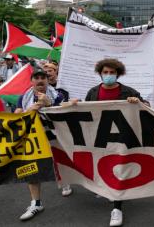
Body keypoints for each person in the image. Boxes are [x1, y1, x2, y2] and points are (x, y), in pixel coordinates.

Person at [84, 58, 147, 227]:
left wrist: (139, 103)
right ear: (100, 73)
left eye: (112, 73)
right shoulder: (92, 92)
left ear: (118, 74)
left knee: (119, 168)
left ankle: (117, 208)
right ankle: (106, 190)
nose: (109, 75)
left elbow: (147, 108)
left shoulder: (128, 91)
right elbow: (85, 113)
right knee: (103, 165)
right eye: (105, 72)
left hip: (122, 138)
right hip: (100, 138)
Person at [15, 68, 65, 221]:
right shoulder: (24, 97)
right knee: (32, 169)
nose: (40, 80)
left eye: (43, 77)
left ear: (47, 80)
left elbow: (63, 110)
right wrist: (35, 107)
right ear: (32, 81)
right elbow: (18, 114)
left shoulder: (59, 95)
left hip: (55, 135)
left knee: (62, 163)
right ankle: (36, 203)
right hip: (33, 137)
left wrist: (48, 103)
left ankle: (65, 182)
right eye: (36, 77)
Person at [42, 62, 72, 197]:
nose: (48, 73)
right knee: (57, 156)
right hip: (49, 128)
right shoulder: (40, 89)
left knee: (75, 154)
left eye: (50, 70)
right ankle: (65, 182)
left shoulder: (63, 88)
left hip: (66, 126)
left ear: (56, 72)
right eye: (46, 71)